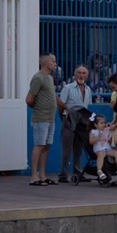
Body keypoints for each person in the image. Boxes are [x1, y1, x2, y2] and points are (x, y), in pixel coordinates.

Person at [25, 53, 59, 185]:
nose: (55, 64)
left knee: (46, 146)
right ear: (46, 63)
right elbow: (29, 99)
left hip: (50, 118)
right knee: (39, 145)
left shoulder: (49, 78)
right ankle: (33, 176)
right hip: (41, 118)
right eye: (53, 61)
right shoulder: (38, 78)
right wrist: (39, 107)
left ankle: (43, 175)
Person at [58, 64, 95, 181]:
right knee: (66, 149)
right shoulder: (68, 88)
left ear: (87, 75)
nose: (81, 75)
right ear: (74, 74)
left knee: (79, 149)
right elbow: (60, 104)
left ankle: (77, 172)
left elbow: (87, 106)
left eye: (84, 73)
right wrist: (64, 118)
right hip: (69, 121)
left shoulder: (88, 89)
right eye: (79, 72)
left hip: (82, 123)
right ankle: (63, 174)